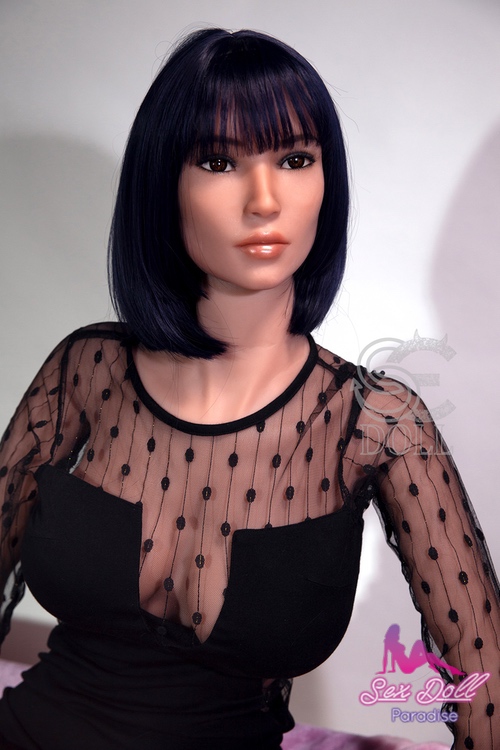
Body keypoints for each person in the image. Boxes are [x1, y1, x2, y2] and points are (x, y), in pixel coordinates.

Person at [0, 27, 498, 750]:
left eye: (295, 159)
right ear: (164, 185)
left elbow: (484, 682)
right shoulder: (87, 370)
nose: (265, 200)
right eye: (218, 162)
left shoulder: (377, 423)